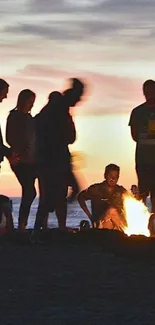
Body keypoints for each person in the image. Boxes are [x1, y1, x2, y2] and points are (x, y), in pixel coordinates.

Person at [6, 89, 37, 231]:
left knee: (30, 191)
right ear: (23, 101)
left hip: (31, 159)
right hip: (19, 159)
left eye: (33, 102)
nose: (31, 105)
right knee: (30, 191)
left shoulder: (30, 119)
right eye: (30, 102)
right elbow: (10, 138)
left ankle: (24, 225)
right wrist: (21, 150)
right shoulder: (14, 116)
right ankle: (22, 225)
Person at [129, 79, 155, 212]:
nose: (150, 94)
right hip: (143, 158)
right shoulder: (137, 112)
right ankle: (144, 224)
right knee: (143, 191)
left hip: (147, 157)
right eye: (147, 91)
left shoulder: (137, 112)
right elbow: (134, 136)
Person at [77, 164, 127, 231]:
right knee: (112, 211)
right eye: (110, 176)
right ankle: (126, 231)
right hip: (101, 224)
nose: (113, 179)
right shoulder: (96, 189)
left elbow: (133, 201)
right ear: (105, 176)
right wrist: (90, 216)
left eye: (116, 177)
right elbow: (80, 197)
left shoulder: (120, 190)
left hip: (117, 225)